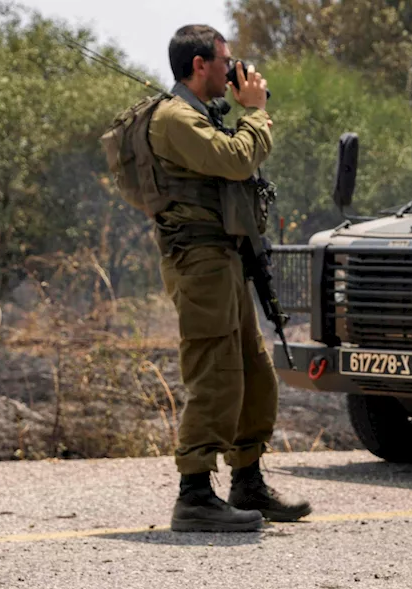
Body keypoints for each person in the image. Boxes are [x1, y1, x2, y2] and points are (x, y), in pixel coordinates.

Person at [147, 24, 311, 531]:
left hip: (223, 259)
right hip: (197, 262)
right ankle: (194, 493)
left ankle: (248, 482)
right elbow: (237, 160)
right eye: (225, 61)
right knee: (215, 373)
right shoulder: (174, 118)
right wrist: (256, 110)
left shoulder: (203, 115)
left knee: (253, 372)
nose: (232, 70)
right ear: (200, 65)